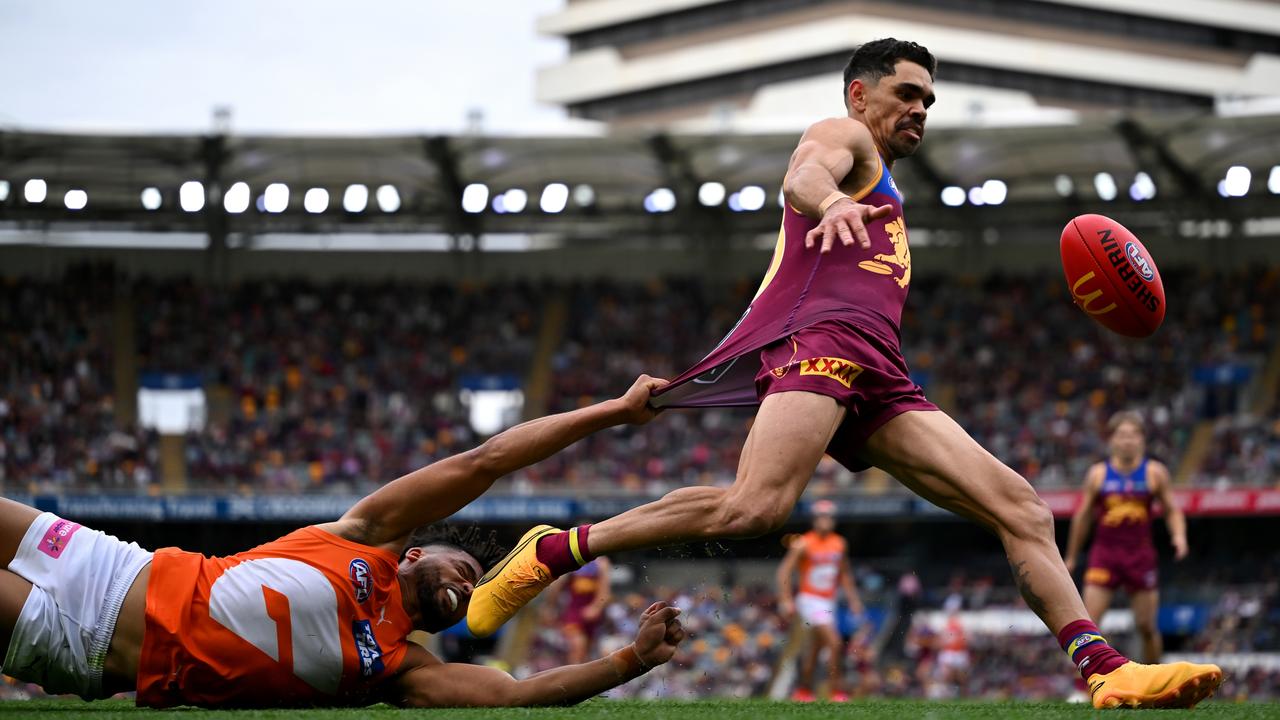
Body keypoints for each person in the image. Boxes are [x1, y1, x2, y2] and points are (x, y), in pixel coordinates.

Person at [467, 38, 1221, 709]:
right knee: (755, 510)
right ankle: (555, 550)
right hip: (817, 341)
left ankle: (1106, 671)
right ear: (861, 94)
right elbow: (803, 175)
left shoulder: (889, 190)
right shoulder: (844, 138)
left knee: (1021, 508)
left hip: (879, 368)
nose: (921, 109)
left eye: (929, 99)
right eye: (907, 93)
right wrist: (829, 198)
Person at [0, 376, 685, 708]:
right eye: (468, 565)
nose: (471, 583)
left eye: (475, 586)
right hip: (110, 562)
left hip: (86, 644)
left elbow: (513, 697)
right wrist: (616, 414)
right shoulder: (368, 534)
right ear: (416, 552)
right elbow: (488, 461)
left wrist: (628, 661)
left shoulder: (400, 668)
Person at [1064, 411, 1188, 663]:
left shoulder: (1155, 473)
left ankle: (1156, 683)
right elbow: (1083, 516)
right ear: (1112, 440)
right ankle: (1086, 687)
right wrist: (1072, 556)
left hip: (1140, 556)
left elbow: (1172, 510)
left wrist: (1179, 536)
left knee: (1145, 626)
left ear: (1142, 439)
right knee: (1088, 626)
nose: (1127, 440)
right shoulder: (1098, 474)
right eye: (1121, 435)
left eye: (1133, 435)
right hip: (1104, 555)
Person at [775, 499, 863, 701]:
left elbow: (845, 574)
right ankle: (837, 691)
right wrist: (786, 599)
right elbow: (784, 572)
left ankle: (803, 690)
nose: (826, 520)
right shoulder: (804, 543)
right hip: (810, 600)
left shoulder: (839, 543)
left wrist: (854, 600)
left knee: (816, 649)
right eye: (822, 516)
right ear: (814, 520)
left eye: (830, 516)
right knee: (835, 643)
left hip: (828, 601)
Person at [542, 554, 612, 665]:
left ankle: (580, 675)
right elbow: (556, 587)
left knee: (585, 651)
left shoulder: (601, 562)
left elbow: (605, 591)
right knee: (577, 646)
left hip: (591, 613)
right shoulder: (572, 559)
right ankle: (571, 673)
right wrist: (550, 607)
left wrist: (596, 607)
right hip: (574, 612)